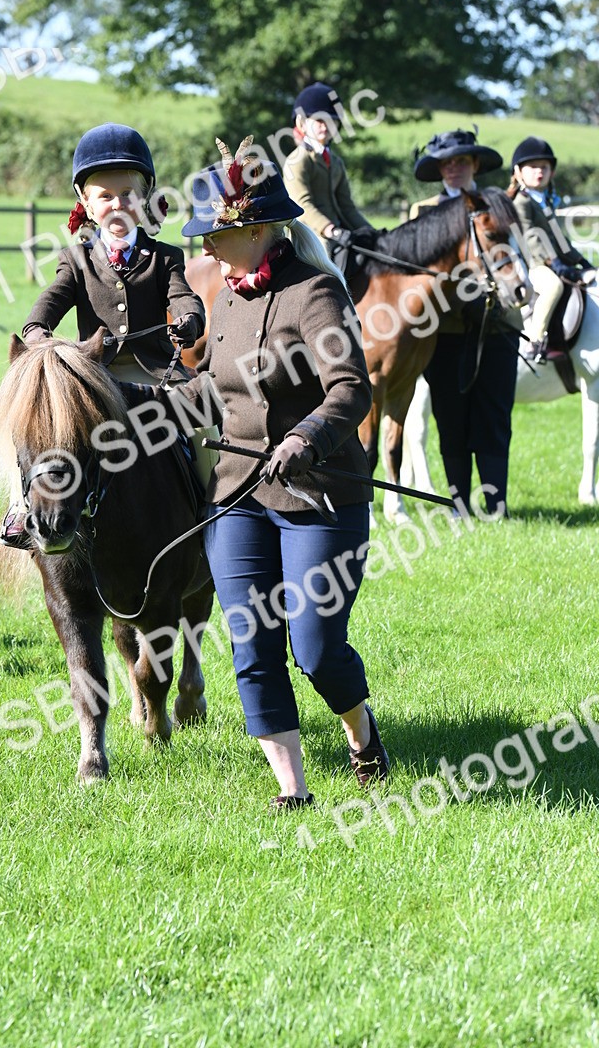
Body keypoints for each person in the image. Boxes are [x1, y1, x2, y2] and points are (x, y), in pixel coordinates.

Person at [118, 136, 389, 807]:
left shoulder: (316, 292)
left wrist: (306, 437)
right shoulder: (231, 300)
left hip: (321, 495)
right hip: (236, 498)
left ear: (258, 229)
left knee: (318, 648)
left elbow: (350, 388)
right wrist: (138, 409)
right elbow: (213, 390)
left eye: (215, 234)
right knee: (252, 642)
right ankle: (293, 792)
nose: (204, 248)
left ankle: (362, 736)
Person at [1, 122, 206, 548]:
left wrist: (190, 319)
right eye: (105, 196)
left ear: (145, 198)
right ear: (87, 204)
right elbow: (52, 298)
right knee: (44, 429)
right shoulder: (76, 260)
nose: (117, 205)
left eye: (127, 195)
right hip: (95, 379)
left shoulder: (165, 256)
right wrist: (37, 330)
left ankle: (217, 511)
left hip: (154, 378)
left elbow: (184, 297)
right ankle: (23, 511)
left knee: (203, 428)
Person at [410, 128, 519, 517]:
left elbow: (513, 258)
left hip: (499, 327)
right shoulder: (423, 212)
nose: (453, 168)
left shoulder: (500, 203)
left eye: (460, 161)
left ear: (474, 163)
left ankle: (496, 505)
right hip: (446, 331)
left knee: (494, 416)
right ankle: (458, 505)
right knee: (450, 418)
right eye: (446, 163)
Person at [509, 135, 596, 361]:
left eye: (544, 167)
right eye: (533, 167)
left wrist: (582, 261)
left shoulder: (546, 201)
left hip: (549, 261)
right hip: (530, 263)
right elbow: (530, 237)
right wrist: (553, 263)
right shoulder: (521, 201)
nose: (540, 171)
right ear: (518, 172)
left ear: (552, 172)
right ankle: (535, 341)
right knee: (553, 287)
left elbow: (559, 238)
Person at [283, 81, 375, 279]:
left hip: (339, 232)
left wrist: (370, 231)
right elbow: (302, 205)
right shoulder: (297, 161)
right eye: (319, 120)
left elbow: (347, 206)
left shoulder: (336, 162)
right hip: (312, 235)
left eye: (331, 121)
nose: (325, 126)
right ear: (302, 123)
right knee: (328, 269)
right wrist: (331, 230)